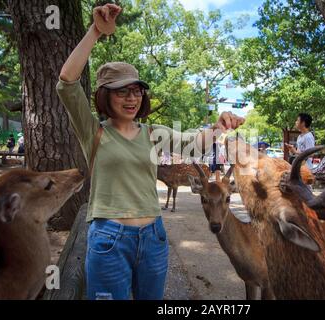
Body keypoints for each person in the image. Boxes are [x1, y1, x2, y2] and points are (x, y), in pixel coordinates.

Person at [57, 3, 244, 301]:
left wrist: (219, 126)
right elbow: (67, 82)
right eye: (121, 91)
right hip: (108, 240)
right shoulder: (94, 131)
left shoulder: (153, 132)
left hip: (153, 238)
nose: (131, 98)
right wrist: (95, 32)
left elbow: (193, 143)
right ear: (105, 95)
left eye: (136, 91)